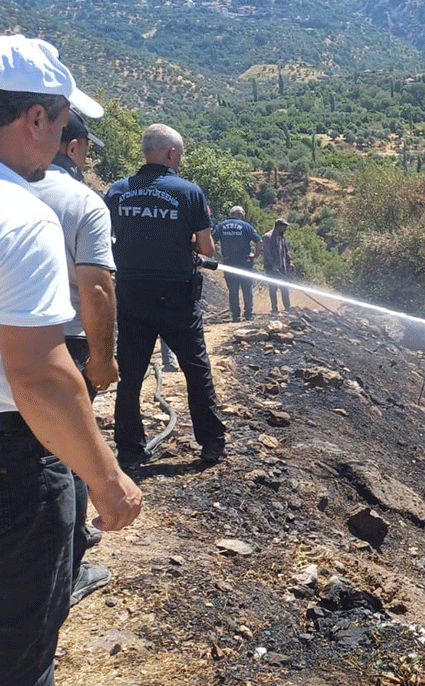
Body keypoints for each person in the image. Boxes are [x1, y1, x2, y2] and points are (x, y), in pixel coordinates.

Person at [0, 33, 142, 686]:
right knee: (20, 652)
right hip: (13, 461)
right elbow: (37, 376)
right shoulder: (21, 217)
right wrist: (105, 480)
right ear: (35, 118)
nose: (64, 140)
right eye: (61, 122)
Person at [29, 109, 116, 607]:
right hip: (66, 338)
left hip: (14, 336)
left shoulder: (12, 190)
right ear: (72, 145)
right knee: (68, 447)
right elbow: (97, 289)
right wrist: (103, 357)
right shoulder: (81, 201)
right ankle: (71, 565)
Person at [106, 123, 227, 464]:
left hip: (132, 293)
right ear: (172, 153)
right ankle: (212, 443)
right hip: (176, 296)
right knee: (196, 369)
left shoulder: (117, 191)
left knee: (130, 375)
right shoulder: (189, 192)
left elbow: (105, 238)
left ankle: (129, 449)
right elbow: (207, 248)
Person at [212, 205, 261, 321]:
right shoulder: (246, 226)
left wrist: (218, 257)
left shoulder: (221, 226)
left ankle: (235, 316)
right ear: (239, 214)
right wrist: (256, 255)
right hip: (245, 263)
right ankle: (248, 314)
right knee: (247, 290)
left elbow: (211, 241)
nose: (244, 216)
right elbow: (259, 241)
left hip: (229, 263)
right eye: (243, 214)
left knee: (233, 291)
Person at [260, 217, 293, 313]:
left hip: (282, 267)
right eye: (284, 227)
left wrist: (290, 261)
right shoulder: (267, 237)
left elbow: (286, 250)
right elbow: (267, 253)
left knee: (284, 288)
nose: (285, 229)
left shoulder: (282, 237)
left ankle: (287, 308)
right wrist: (273, 265)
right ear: (278, 226)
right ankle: (274, 309)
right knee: (273, 288)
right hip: (271, 269)